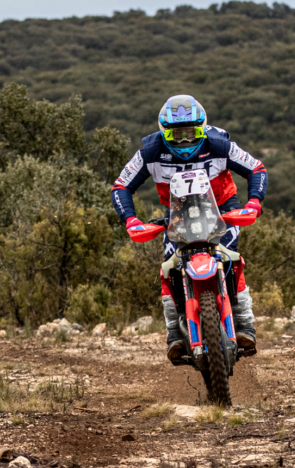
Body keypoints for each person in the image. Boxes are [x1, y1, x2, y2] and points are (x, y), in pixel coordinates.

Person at [111, 94, 267, 363]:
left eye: (191, 133)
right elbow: (121, 186)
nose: (184, 141)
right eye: (176, 135)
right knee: (169, 266)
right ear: (163, 133)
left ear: (202, 129)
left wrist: (254, 202)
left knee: (231, 259)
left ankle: (244, 325)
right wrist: (130, 219)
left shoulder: (219, 144)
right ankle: (174, 332)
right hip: (178, 212)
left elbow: (256, 168)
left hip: (222, 207)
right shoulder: (150, 152)